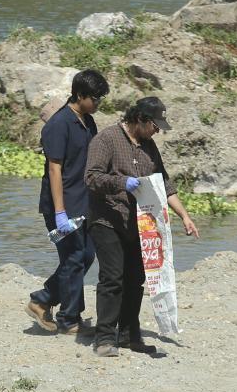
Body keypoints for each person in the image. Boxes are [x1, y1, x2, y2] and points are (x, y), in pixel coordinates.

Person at [83, 97, 199, 359]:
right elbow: (91, 177)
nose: (157, 130)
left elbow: (164, 184)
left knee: (136, 280)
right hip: (107, 218)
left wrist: (185, 216)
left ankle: (127, 335)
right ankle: (104, 337)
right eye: (154, 125)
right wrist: (122, 182)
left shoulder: (149, 146)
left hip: (140, 222)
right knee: (112, 277)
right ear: (139, 120)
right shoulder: (107, 139)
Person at [27, 69, 108, 336]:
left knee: (86, 255)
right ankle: (69, 318)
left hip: (83, 203)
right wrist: (60, 211)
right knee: (72, 258)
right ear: (80, 94)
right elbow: (54, 169)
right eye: (95, 98)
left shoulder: (88, 122)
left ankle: (43, 299)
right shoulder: (59, 125)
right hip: (59, 206)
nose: (98, 103)